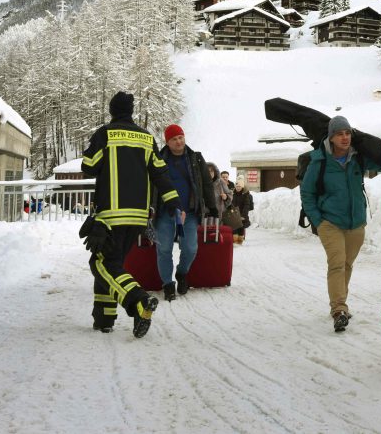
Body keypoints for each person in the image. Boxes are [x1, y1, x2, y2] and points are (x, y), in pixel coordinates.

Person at [81, 91, 183, 338]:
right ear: (131, 111)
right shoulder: (146, 138)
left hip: (110, 215)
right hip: (137, 217)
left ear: (112, 111)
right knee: (113, 264)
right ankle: (104, 318)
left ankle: (138, 301)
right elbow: (160, 173)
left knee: (101, 263)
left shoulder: (105, 134)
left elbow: (88, 167)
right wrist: (173, 203)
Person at [300, 114, 381, 332]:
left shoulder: (358, 157)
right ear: (331, 138)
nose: (344, 138)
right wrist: (318, 221)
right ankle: (339, 309)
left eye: (347, 133)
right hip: (330, 222)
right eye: (339, 134)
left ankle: (339, 302)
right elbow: (307, 193)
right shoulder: (319, 161)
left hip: (356, 223)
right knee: (336, 263)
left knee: (346, 264)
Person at [155, 123, 218, 301]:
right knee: (164, 249)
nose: (178, 141)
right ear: (167, 142)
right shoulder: (158, 159)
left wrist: (212, 207)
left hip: (190, 212)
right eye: (174, 139)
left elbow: (206, 183)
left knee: (190, 248)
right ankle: (167, 284)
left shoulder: (196, 158)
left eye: (180, 137)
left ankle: (182, 273)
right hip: (165, 213)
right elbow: (151, 186)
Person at [231, 175, 253, 244]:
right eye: (237, 186)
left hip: (242, 214)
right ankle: (234, 240)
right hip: (234, 214)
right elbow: (230, 204)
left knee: (241, 227)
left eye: (239, 186)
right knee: (234, 227)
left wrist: (243, 215)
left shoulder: (246, 195)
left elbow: (247, 206)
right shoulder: (232, 194)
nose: (238, 188)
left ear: (242, 186)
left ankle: (240, 241)